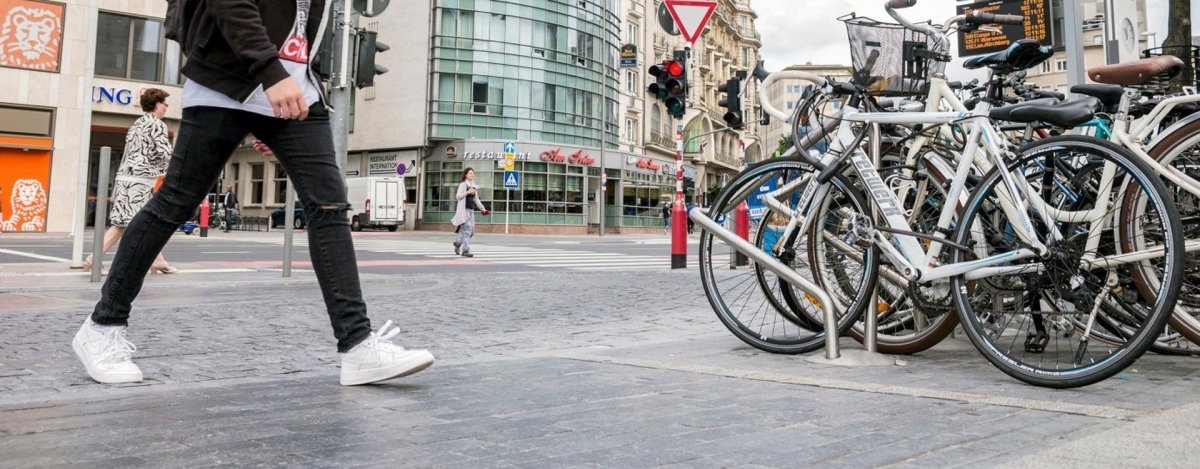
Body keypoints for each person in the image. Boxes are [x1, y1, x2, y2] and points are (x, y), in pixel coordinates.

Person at [72, 1, 433, 386]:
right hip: (226, 84)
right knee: (175, 202)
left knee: (330, 206)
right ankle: (102, 325)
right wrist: (269, 73)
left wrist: (284, 91)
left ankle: (357, 345)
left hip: (296, 93)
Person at [83, 88, 178, 275]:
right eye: (165, 104)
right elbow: (165, 154)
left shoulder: (137, 124)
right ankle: (94, 259)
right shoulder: (157, 124)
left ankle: (158, 261)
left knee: (131, 222)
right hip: (140, 181)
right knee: (133, 224)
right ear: (157, 104)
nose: (167, 108)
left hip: (126, 178)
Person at [451, 168, 488, 258]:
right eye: (470, 173)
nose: (472, 175)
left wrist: (483, 209)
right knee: (467, 231)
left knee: (471, 232)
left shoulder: (473, 186)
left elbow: (476, 199)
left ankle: (457, 243)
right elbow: (458, 196)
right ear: (466, 175)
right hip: (464, 211)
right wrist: (467, 192)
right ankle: (465, 250)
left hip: (471, 211)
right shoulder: (463, 185)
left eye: (473, 173)